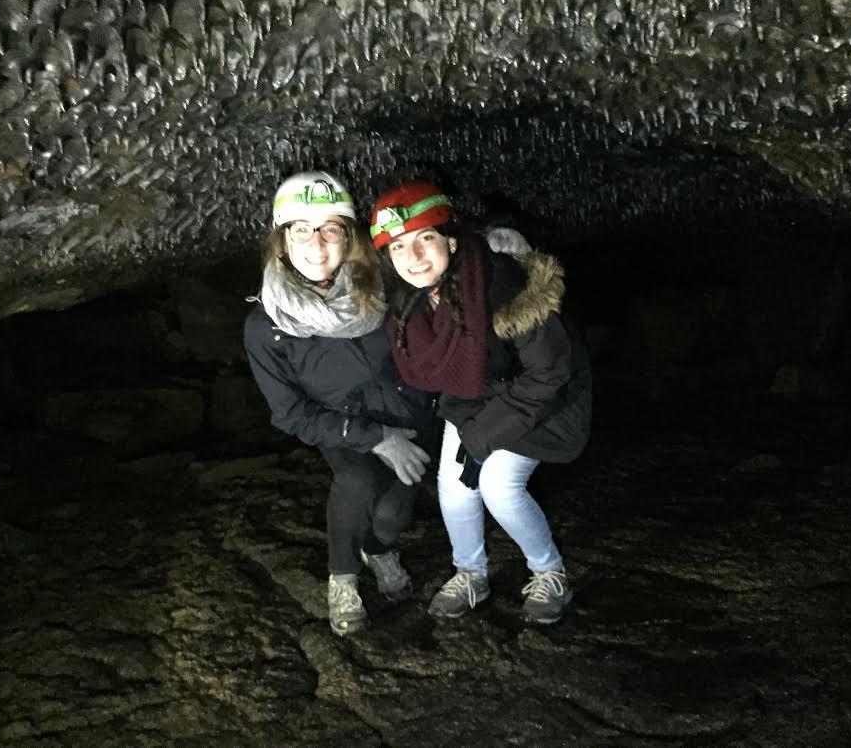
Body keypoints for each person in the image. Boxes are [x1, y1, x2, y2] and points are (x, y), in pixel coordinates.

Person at [370, 181, 591, 625]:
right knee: (453, 488)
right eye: (398, 247)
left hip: (547, 399)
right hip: (475, 400)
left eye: (425, 239)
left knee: (499, 487)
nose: (413, 258)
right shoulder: (411, 298)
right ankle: (471, 573)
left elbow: (549, 373)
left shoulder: (503, 287)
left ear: (450, 239)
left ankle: (550, 573)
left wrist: (480, 438)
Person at [244, 171, 435, 636]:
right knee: (355, 483)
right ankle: (343, 578)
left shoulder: (385, 290)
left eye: (331, 227)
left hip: (408, 417)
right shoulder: (266, 326)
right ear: (282, 240)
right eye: (301, 229)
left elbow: (441, 301)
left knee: (392, 516)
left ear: (349, 237)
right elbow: (290, 413)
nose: (317, 243)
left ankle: (379, 549)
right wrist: (375, 439)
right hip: (341, 427)